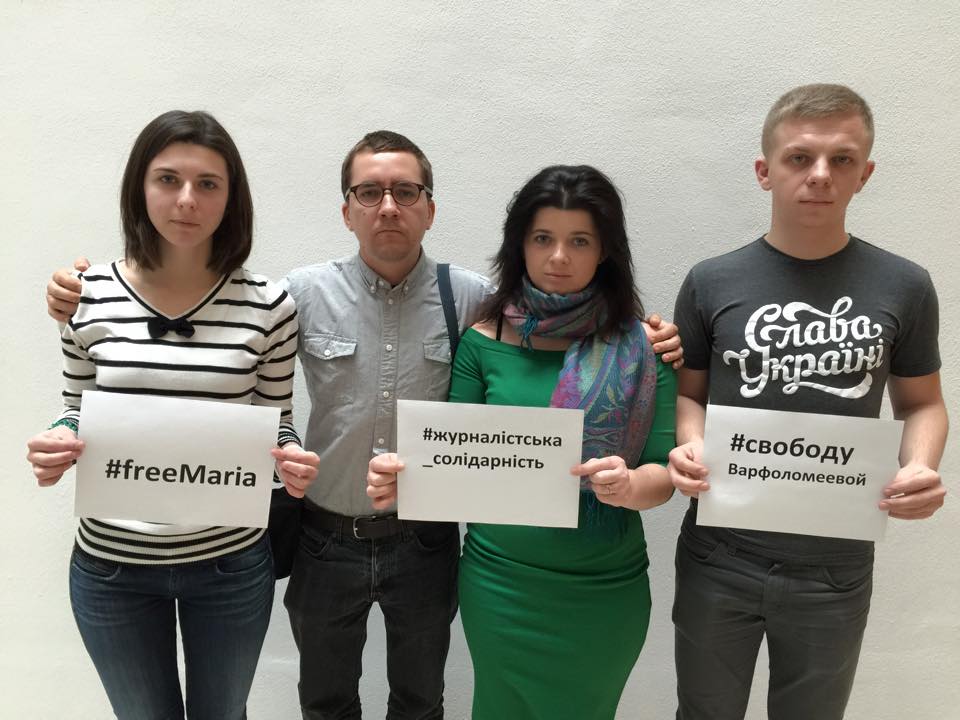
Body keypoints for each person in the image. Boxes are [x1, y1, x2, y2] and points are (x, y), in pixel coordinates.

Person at [45, 130, 684, 720]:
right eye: (369, 193)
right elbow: (220, 343)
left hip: (425, 541)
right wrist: (84, 290)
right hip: (325, 537)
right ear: (346, 210)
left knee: (419, 701)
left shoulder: (476, 301)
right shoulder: (293, 295)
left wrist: (655, 336)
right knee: (324, 701)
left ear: (430, 209)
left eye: (406, 192)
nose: (388, 207)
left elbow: (561, 324)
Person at [26, 110, 320, 720]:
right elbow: (77, 409)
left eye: (208, 184)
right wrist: (57, 441)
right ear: (140, 186)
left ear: (231, 198)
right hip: (112, 568)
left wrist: (288, 459)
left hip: (230, 564)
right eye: (168, 179)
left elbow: (276, 420)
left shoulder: (270, 305)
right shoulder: (88, 295)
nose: (187, 199)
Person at [667, 84, 948, 720]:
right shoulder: (711, 280)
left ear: (864, 174)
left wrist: (921, 466)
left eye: (841, 159)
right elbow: (690, 393)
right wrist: (689, 444)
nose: (820, 174)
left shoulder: (905, 285)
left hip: (836, 564)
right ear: (765, 171)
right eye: (800, 157)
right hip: (720, 552)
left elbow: (922, 403)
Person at [368, 165, 676, 719]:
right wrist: (403, 477)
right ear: (520, 245)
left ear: (605, 250)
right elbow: (452, 460)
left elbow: (664, 475)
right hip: (501, 586)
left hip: (605, 589)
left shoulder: (644, 348)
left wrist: (630, 486)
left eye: (579, 241)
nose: (558, 257)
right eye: (542, 238)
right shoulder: (481, 343)